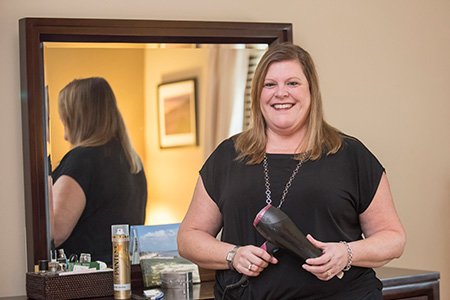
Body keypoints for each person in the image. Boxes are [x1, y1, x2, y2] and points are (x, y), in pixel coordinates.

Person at [177, 43, 406, 299]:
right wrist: (232, 255)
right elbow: (189, 238)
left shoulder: (349, 154)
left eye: (293, 83)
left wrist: (346, 253)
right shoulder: (229, 156)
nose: (281, 93)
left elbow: (393, 238)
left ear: (311, 91)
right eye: (270, 84)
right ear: (257, 93)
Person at [51, 77, 147, 264]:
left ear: (78, 119)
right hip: (119, 273)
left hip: (84, 278)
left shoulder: (82, 160)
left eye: (66, 122)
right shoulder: (132, 160)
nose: (64, 135)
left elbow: (55, 232)